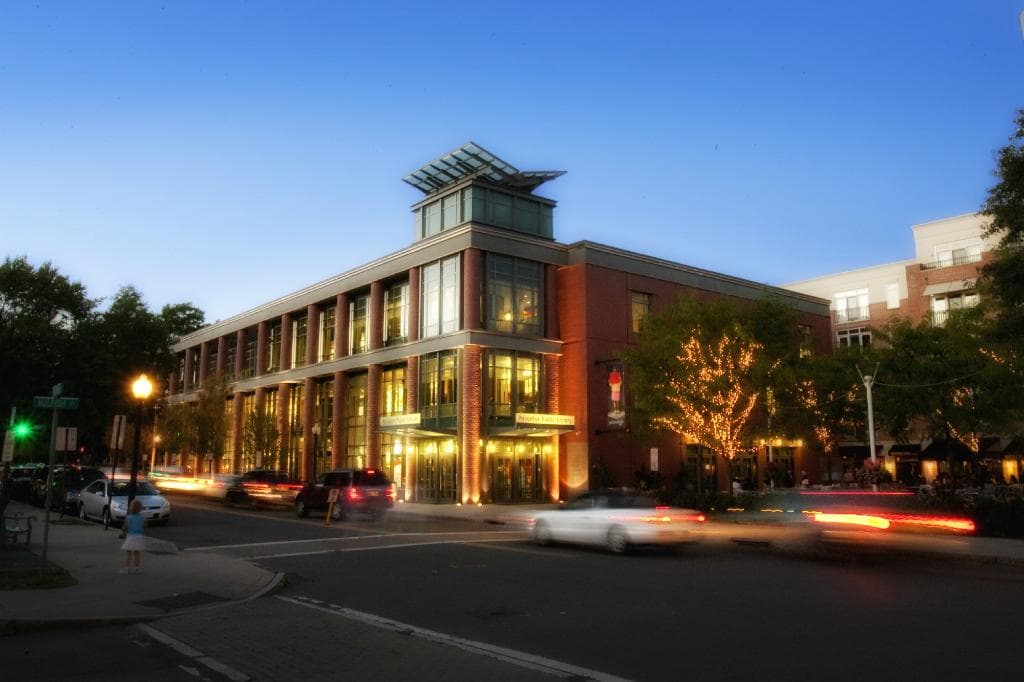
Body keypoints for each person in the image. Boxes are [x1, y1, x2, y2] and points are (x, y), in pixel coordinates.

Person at [120, 498, 146, 574]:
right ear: (140, 508)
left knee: (128, 553)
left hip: (130, 537)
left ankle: (127, 568)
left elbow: (124, 527)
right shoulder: (142, 517)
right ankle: (137, 568)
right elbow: (145, 526)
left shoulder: (128, 517)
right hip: (138, 537)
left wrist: (124, 532)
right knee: (137, 553)